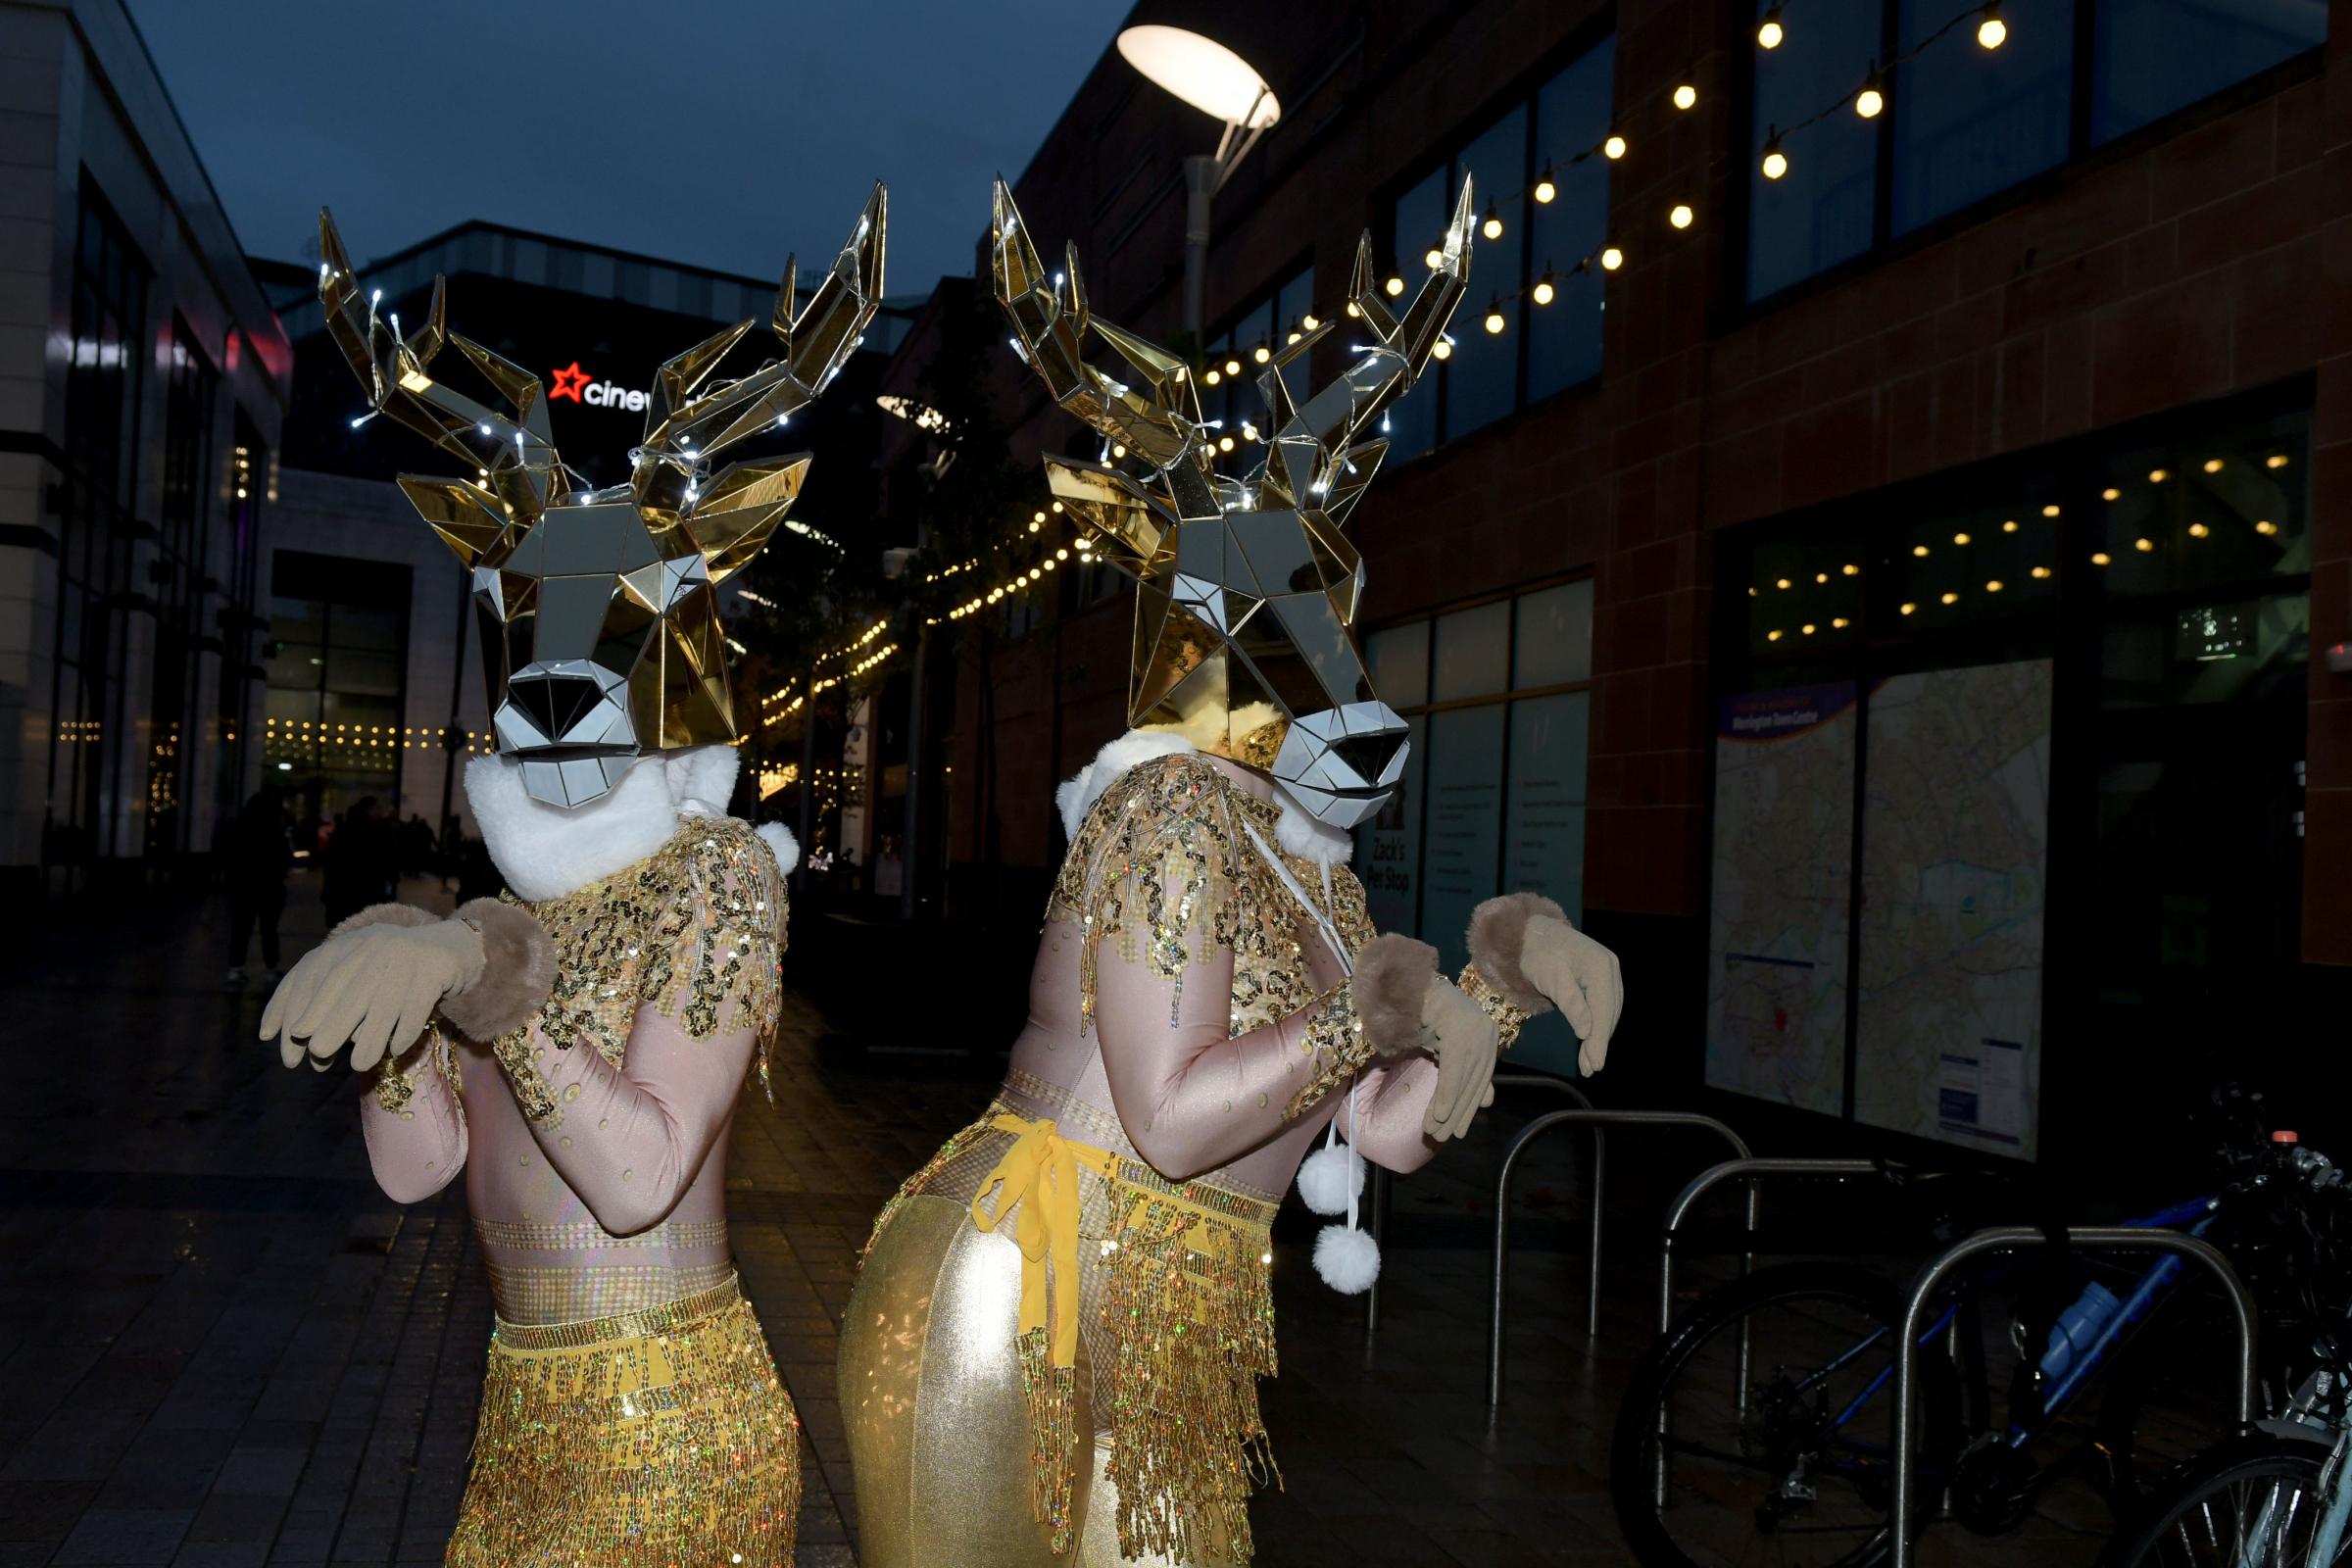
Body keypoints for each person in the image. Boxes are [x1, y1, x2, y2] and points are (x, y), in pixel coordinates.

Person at [837, 181, 1626, 1567]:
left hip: (1185, 1330)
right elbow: (1175, 1122)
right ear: (1212, 646)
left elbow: (1379, 1133)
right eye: (1287, 632)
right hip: (1023, 1292)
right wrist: (1374, 1013)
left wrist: (1495, 993)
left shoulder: (1312, 868)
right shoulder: (1173, 811)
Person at [258, 190, 884, 1567]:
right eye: (528, 610)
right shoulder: (514, 898)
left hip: (667, 1436)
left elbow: (643, 1177)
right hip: (518, 1426)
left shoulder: (715, 875)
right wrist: (401, 1010)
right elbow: (420, 1171)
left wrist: (484, 982)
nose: (555, 671)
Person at [221, 788, 291, 986]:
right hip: (269, 888)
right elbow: (283, 859)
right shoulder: (273, 830)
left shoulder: (238, 828)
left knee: (241, 929)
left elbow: (228, 856)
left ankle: (235, 968)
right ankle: (271, 968)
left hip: (244, 888)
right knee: (269, 930)